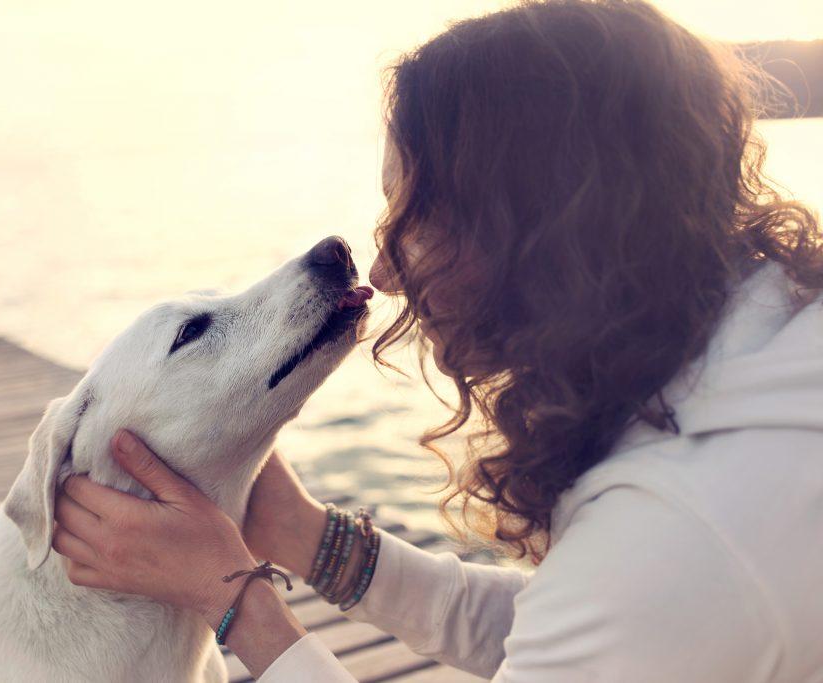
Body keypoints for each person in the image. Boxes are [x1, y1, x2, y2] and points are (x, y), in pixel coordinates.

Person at [51, 0, 823, 680]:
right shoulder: (767, 345)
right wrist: (301, 534)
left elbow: (622, 604)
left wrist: (235, 602)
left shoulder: (683, 527)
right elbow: (567, 626)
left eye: (408, 213)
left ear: (530, 225)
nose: (382, 269)